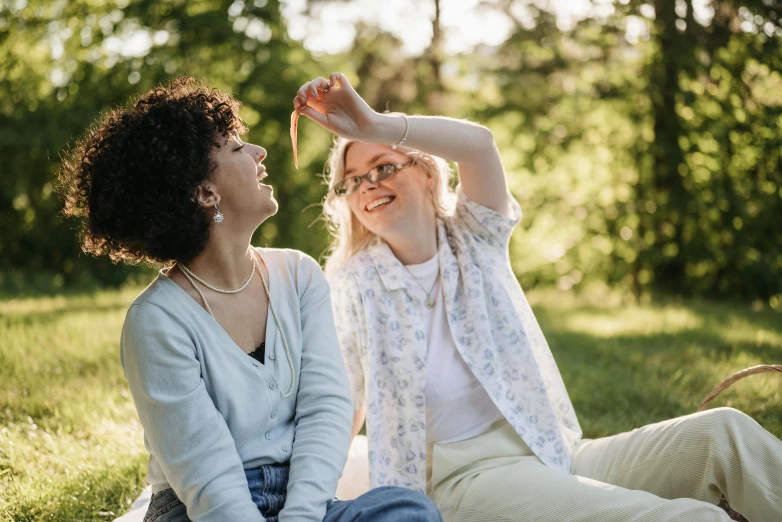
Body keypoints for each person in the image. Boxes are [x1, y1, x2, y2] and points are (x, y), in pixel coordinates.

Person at [290, 72, 782, 522]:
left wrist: (373, 124)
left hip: (552, 445)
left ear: (425, 171)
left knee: (725, 435)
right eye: (351, 182)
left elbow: (479, 145)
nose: (366, 185)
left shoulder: (475, 238)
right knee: (681, 519)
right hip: (462, 479)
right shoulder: (353, 284)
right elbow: (342, 402)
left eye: (381, 164)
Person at [57, 76, 442, 522]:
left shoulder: (299, 275)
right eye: (237, 148)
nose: (259, 153)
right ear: (205, 193)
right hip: (201, 510)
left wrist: (301, 515)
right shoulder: (156, 321)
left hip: (303, 501)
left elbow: (327, 406)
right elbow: (208, 478)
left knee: (408, 511)